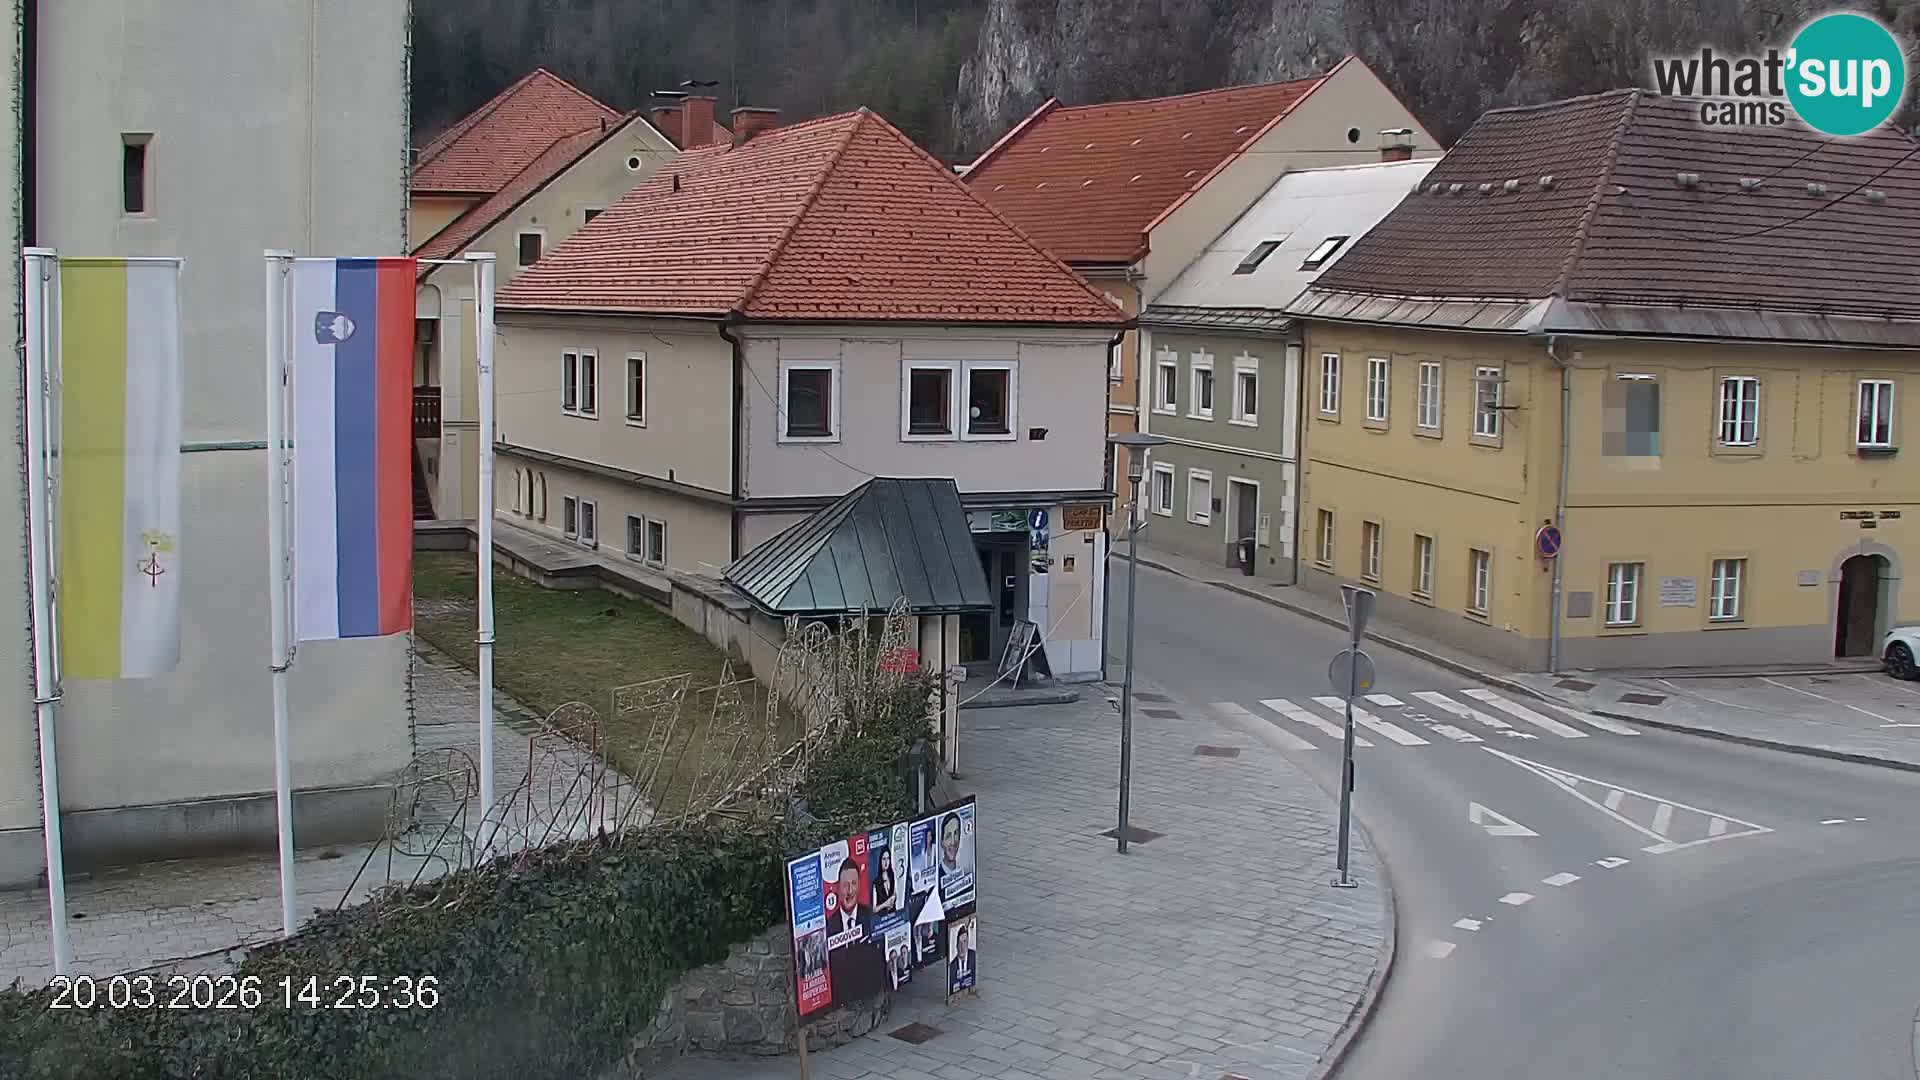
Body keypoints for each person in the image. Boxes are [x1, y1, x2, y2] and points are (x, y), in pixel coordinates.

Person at [826, 858, 870, 940]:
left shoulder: (870, 916)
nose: (850, 891)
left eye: (853, 883)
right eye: (845, 885)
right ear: (838, 888)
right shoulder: (829, 926)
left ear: (859, 885)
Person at [948, 925, 976, 989]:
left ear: (968, 943)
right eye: (959, 942)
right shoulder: (952, 967)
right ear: (956, 945)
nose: (962, 947)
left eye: (964, 941)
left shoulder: (974, 957)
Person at [872, 847, 897, 912]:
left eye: (888, 858)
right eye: (884, 859)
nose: (886, 862)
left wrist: (893, 899)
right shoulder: (876, 882)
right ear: (880, 860)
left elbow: (894, 893)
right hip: (882, 918)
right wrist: (885, 904)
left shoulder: (892, 876)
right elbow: (874, 909)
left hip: (893, 915)